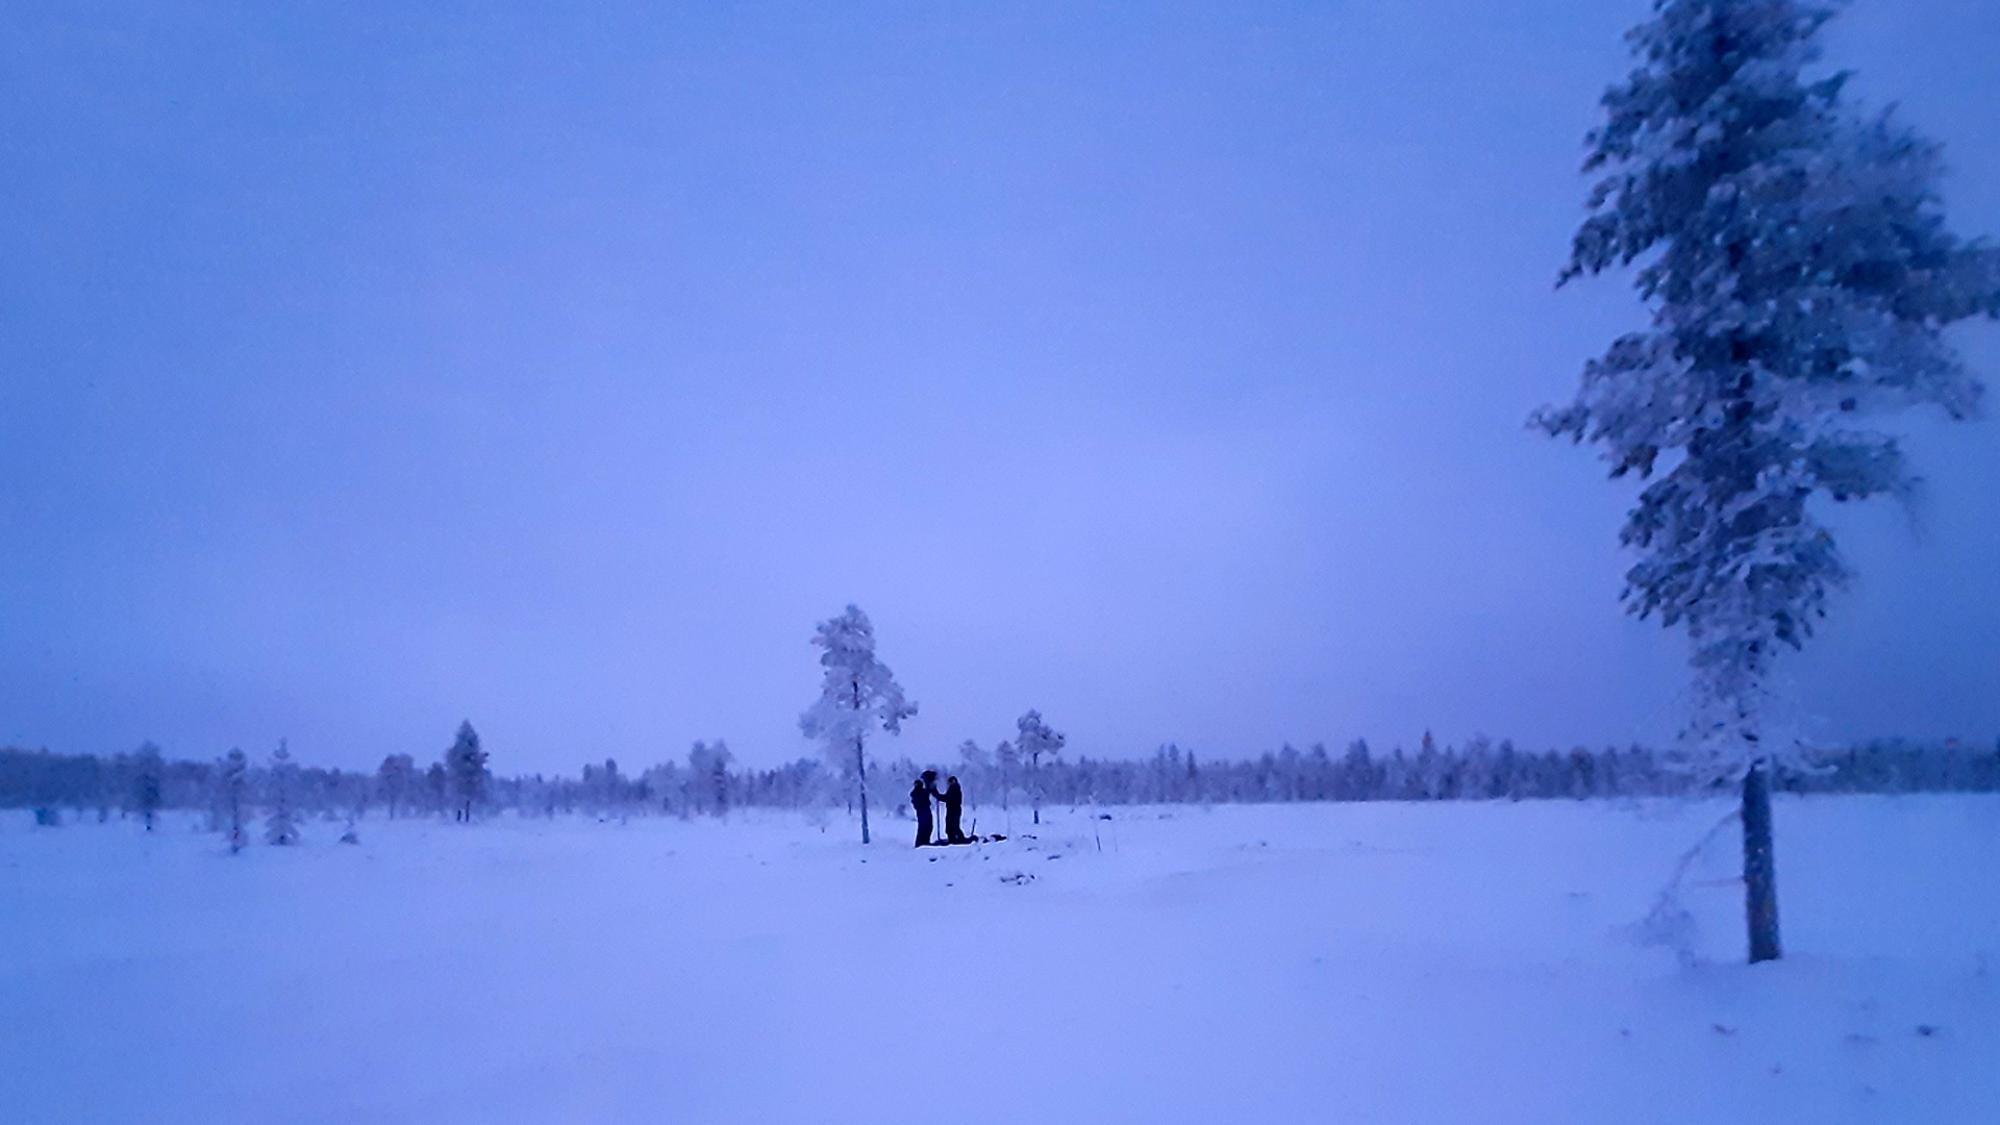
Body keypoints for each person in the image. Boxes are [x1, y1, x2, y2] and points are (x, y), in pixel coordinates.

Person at [911, 770, 942, 847]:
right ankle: (921, 843)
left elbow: (931, 792)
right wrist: (931, 788)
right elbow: (923, 796)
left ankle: (924, 842)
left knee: (927, 826)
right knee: (924, 826)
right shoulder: (918, 791)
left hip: (924, 810)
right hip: (922, 811)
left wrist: (934, 791)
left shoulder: (922, 789)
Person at [942, 775, 968, 844]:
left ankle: (960, 839)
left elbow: (948, 798)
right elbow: (946, 797)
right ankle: (952, 839)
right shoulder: (951, 789)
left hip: (955, 810)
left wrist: (938, 796)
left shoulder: (955, 789)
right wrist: (938, 796)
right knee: (950, 826)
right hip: (951, 810)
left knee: (954, 826)